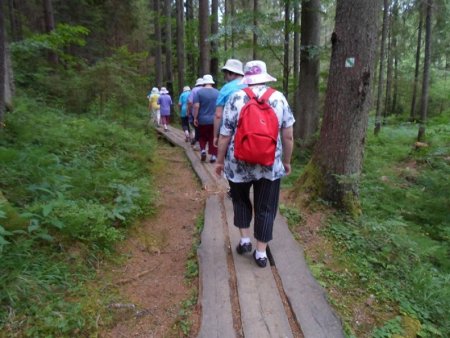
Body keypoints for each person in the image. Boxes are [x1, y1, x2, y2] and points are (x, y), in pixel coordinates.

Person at [215, 60, 295, 268]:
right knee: (266, 207)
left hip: (238, 163)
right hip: (270, 164)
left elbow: (225, 135)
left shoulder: (235, 97)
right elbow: (288, 136)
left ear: (246, 78)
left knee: (240, 200)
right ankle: (261, 254)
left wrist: (220, 161)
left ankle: (244, 240)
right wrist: (286, 161)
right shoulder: (278, 98)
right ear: (265, 76)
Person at [213, 59, 246, 147]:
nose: (225, 76)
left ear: (231, 73)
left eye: (226, 73)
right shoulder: (251, 85)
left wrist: (215, 136)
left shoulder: (226, 89)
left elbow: (218, 115)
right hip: (250, 131)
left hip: (230, 134)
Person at [193, 75, 220, 163]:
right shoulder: (217, 92)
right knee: (213, 137)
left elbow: (196, 106)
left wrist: (195, 117)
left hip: (202, 119)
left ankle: (203, 150)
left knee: (202, 136)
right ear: (211, 82)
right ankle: (213, 156)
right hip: (214, 119)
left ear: (204, 82)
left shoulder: (199, 92)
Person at [187, 78, 204, 148]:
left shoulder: (194, 90)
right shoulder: (205, 89)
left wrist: (189, 110)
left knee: (197, 128)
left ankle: (197, 143)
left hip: (195, 112)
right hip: (205, 112)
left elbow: (190, 102)